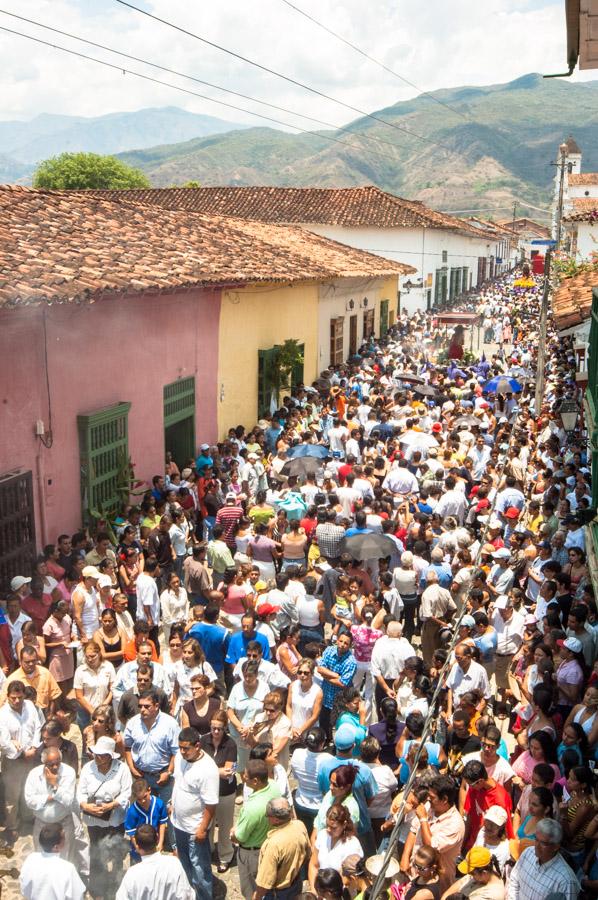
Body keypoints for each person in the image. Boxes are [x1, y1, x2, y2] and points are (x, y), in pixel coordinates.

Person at [77, 735, 132, 900]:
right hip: (93, 821)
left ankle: (115, 888)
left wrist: (112, 804)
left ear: (110, 756)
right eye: (96, 754)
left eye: (101, 755)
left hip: (115, 820)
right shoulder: (87, 768)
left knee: (116, 853)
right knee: (95, 853)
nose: (97, 757)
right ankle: (97, 890)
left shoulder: (122, 769)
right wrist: (85, 805)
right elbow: (80, 791)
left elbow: (127, 792)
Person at [123, 689, 180, 846]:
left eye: (147, 706)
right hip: (142, 776)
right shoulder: (133, 723)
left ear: (156, 705)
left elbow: (176, 752)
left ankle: (173, 847)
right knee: (144, 810)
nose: (142, 710)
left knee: (169, 812)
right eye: (141, 706)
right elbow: (127, 746)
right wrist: (131, 766)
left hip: (164, 776)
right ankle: (146, 845)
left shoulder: (170, 724)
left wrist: (168, 772)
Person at [171, 726, 219, 900]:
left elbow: (211, 803)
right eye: (180, 747)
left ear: (197, 745)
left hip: (195, 828)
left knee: (200, 869)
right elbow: (178, 782)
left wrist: (202, 829)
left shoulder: (208, 769)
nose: (182, 752)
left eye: (186, 748)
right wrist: (172, 803)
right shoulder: (179, 757)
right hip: (178, 823)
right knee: (183, 864)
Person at [400, 775, 465, 895]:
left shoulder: (455, 824)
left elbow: (431, 847)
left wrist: (424, 819)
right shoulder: (430, 806)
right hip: (414, 874)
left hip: (435, 884)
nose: (428, 800)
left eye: (432, 797)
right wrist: (405, 857)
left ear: (444, 799)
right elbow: (414, 830)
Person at [232, 759, 282, 898]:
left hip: (252, 853)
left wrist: (232, 833)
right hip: (269, 843)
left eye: (246, 776)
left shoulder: (252, 808)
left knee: (251, 888)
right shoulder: (274, 786)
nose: (243, 777)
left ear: (255, 781)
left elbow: (239, 837)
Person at [0, 679, 41, 843]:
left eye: (19, 697)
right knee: (12, 795)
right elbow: (4, 742)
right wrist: (22, 753)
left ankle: (28, 818)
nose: (17, 701)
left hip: (31, 755)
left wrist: (33, 747)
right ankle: (12, 826)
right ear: (8, 696)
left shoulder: (30, 707)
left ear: (24, 695)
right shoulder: (3, 715)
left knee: (29, 789)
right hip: (14, 761)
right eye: (13, 698)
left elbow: (38, 728)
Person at [200, 709, 238, 872]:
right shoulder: (202, 741)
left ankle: (225, 856)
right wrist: (217, 771)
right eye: (213, 728)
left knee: (224, 825)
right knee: (207, 824)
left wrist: (209, 770)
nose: (216, 732)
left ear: (225, 728)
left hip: (225, 792)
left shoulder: (231, 744)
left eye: (219, 729)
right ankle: (207, 852)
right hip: (207, 791)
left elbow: (227, 772)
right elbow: (198, 764)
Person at [115, 824, 194, 900]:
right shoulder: (174, 863)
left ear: (137, 846)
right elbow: (187, 895)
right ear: (157, 838)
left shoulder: (132, 874)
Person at [508, 818, 581, 899]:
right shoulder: (528, 853)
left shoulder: (566, 881)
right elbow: (514, 880)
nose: (537, 846)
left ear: (556, 846)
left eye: (543, 843)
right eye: (536, 839)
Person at [24, 746, 77, 858]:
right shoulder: (34, 774)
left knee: (65, 858)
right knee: (41, 857)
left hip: (63, 824)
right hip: (42, 825)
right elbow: (29, 801)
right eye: (51, 764)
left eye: (58, 763)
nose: (55, 767)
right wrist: (49, 798)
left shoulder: (69, 772)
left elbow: (68, 800)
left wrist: (55, 785)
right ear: (44, 763)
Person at [256, 797, 310, 900]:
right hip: (296, 883)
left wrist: (256, 897)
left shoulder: (273, 844)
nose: (267, 818)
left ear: (275, 819)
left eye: (268, 816)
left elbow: (265, 882)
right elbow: (308, 854)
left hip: (278, 894)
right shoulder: (300, 825)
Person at [19, 822, 86, 900]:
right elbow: (77, 896)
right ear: (56, 847)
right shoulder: (68, 868)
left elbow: (24, 888)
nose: (65, 839)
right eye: (63, 837)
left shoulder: (31, 858)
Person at [317, 632, 357, 737]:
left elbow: (342, 683)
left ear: (350, 645)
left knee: (338, 725)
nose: (342, 644)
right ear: (337, 640)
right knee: (323, 723)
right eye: (341, 641)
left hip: (340, 699)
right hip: (325, 695)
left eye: (346, 643)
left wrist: (326, 676)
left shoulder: (351, 662)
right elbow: (320, 669)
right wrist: (335, 675)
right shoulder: (329, 650)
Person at [286, 657, 324, 744]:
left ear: (312, 674)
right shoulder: (292, 686)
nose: (302, 675)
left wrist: (300, 731)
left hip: (308, 732)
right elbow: (289, 706)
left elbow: (314, 717)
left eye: (306, 673)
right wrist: (291, 727)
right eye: (300, 672)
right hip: (292, 730)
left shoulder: (318, 692)